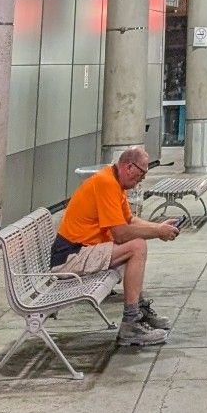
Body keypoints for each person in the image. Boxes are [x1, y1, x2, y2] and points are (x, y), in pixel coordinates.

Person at [51, 145, 178, 348]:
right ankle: (130, 324)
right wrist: (157, 233)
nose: (142, 180)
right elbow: (121, 233)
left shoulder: (115, 182)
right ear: (129, 167)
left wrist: (159, 227)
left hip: (84, 251)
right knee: (136, 246)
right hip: (70, 257)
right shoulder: (106, 183)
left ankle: (137, 311)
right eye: (141, 174)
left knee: (135, 247)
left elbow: (129, 220)